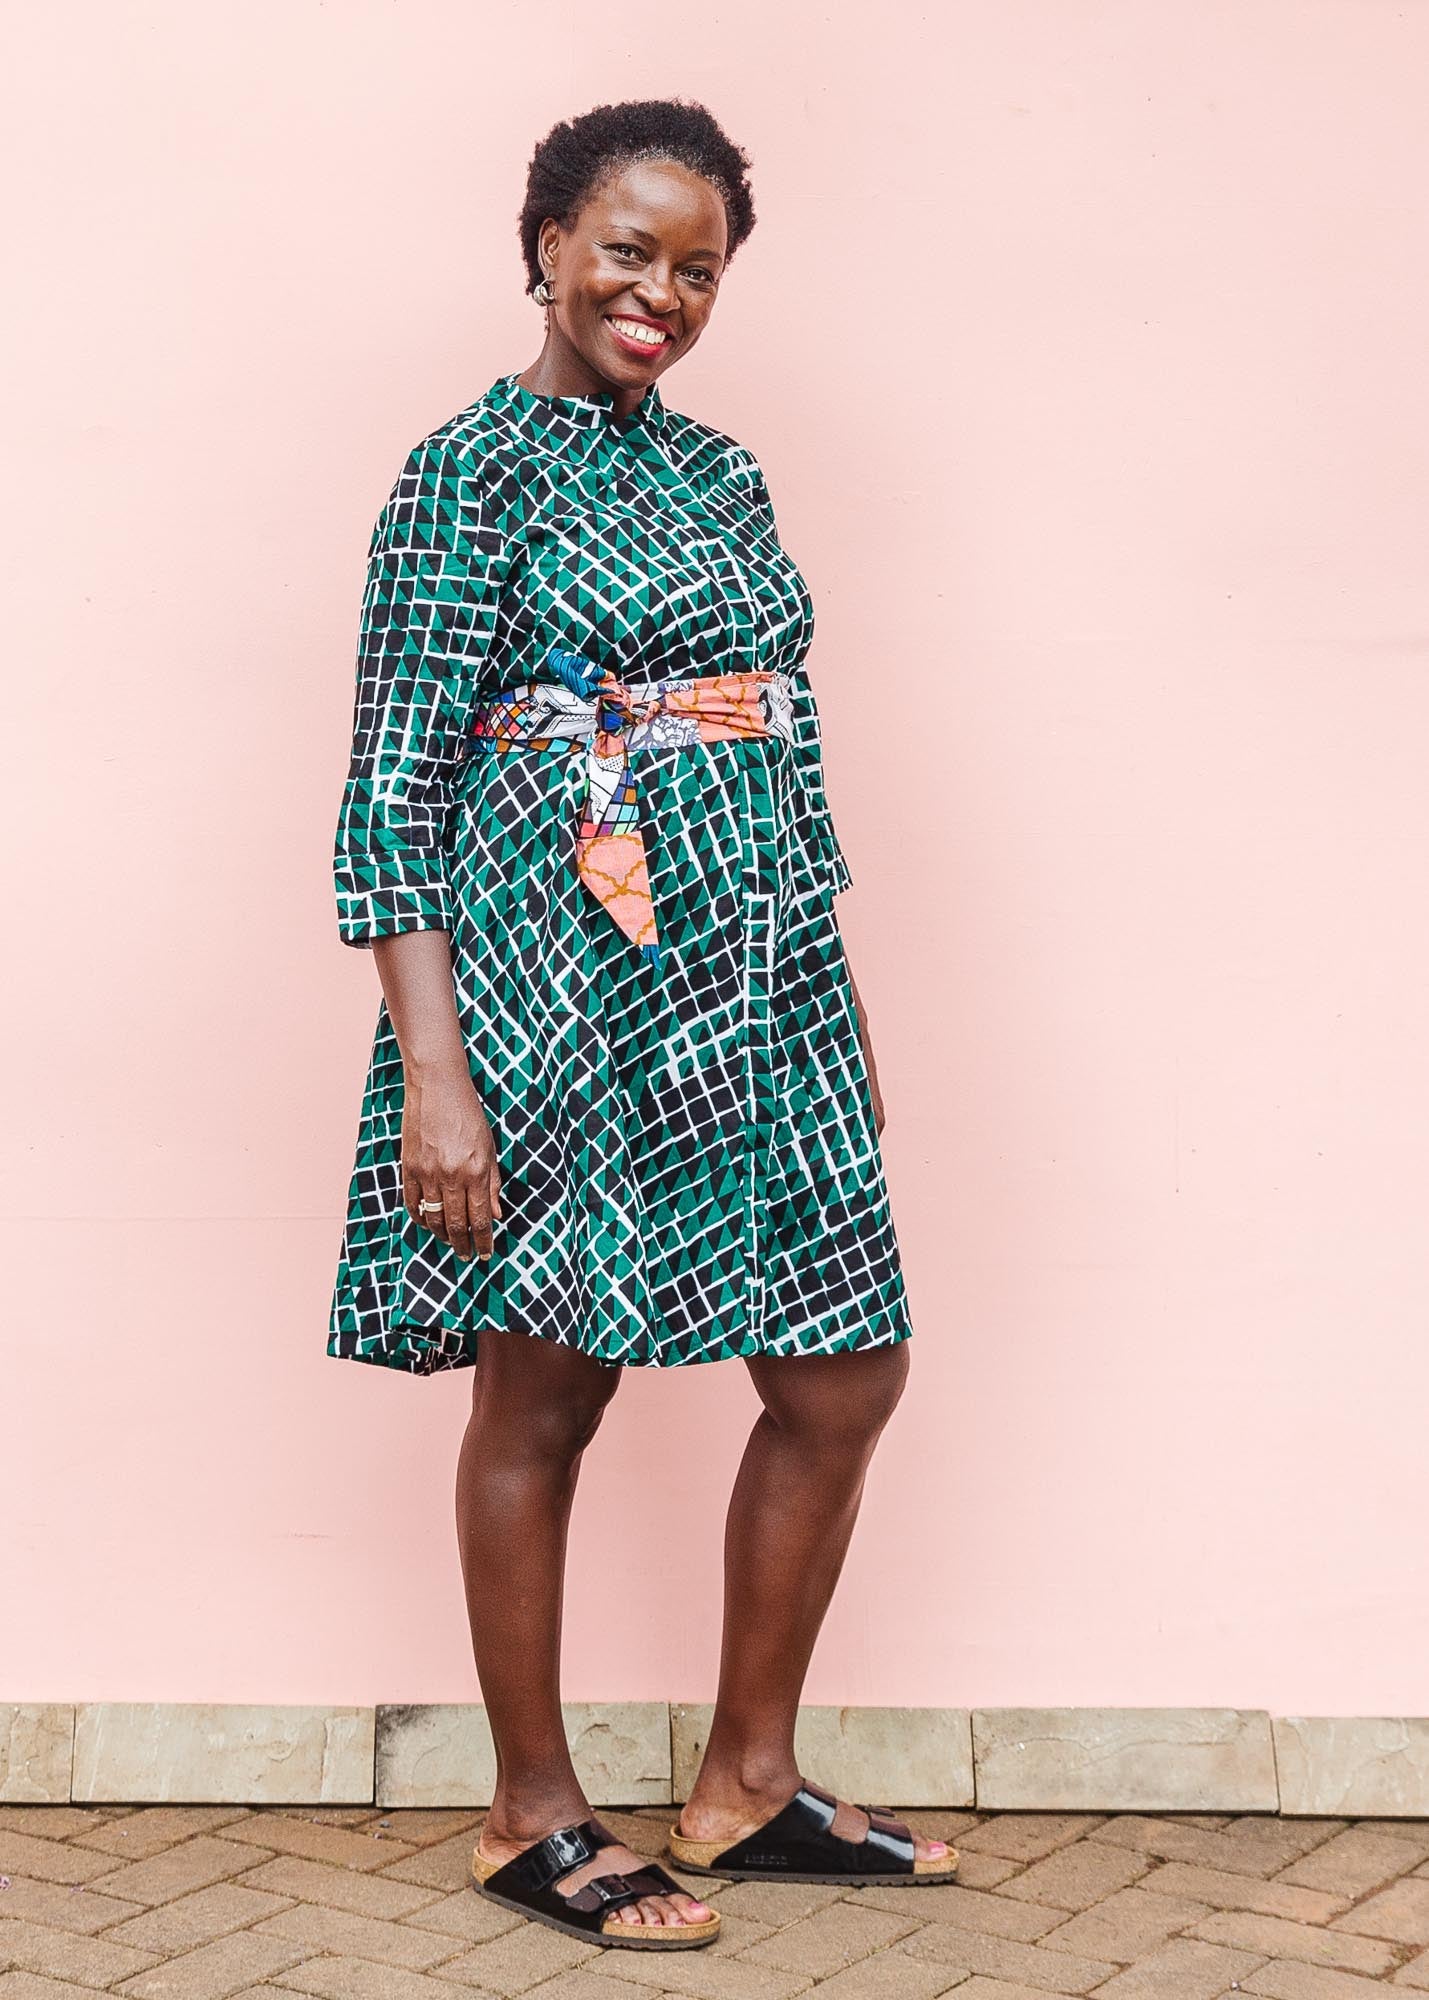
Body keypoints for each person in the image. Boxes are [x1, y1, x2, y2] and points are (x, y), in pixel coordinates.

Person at [328, 95, 954, 1952]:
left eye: (698, 269)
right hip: (557, 984)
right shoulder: (465, 474)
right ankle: (531, 1812)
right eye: (628, 251)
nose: (660, 294)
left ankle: (746, 1782)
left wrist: (822, 986)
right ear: (547, 246)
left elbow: (772, 730)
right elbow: (390, 798)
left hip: (757, 983)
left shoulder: (723, 474)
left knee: (843, 1371)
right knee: (547, 1384)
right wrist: (436, 1076)